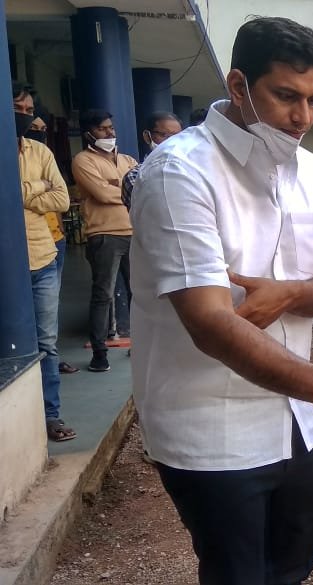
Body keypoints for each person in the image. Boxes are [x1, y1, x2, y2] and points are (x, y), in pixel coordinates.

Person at [129, 17, 313, 585]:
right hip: (212, 426)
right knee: (238, 574)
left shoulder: (308, 169)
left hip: (297, 421)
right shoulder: (180, 172)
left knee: (292, 566)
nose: (302, 117)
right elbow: (208, 322)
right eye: (285, 96)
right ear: (237, 86)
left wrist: (293, 293)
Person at [14, 82, 75, 441]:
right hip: (10, 265)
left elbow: (63, 198)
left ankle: (50, 415)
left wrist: (21, 191)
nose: (26, 116)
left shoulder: (39, 151)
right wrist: (37, 187)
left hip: (43, 258)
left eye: (28, 110)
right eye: (17, 110)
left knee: (46, 344)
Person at [71, 109, 138, 372]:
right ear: (89, 133)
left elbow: (142, 186)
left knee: (139, 294)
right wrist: (123, 188)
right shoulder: (83, 161)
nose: (110, 132)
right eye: (102, 129)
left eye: (110, 127)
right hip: (104, 235)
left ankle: (140, 345)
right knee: (103, 295)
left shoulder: (128, 159)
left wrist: (115, 187)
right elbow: (100, 193)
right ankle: (100, 354)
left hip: (134, 233)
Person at [122, 111, 184, 210]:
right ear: (147, 136)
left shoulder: (193, 169)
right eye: (164, 135)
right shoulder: (135, 176)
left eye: (178, 137)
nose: (172, 141)